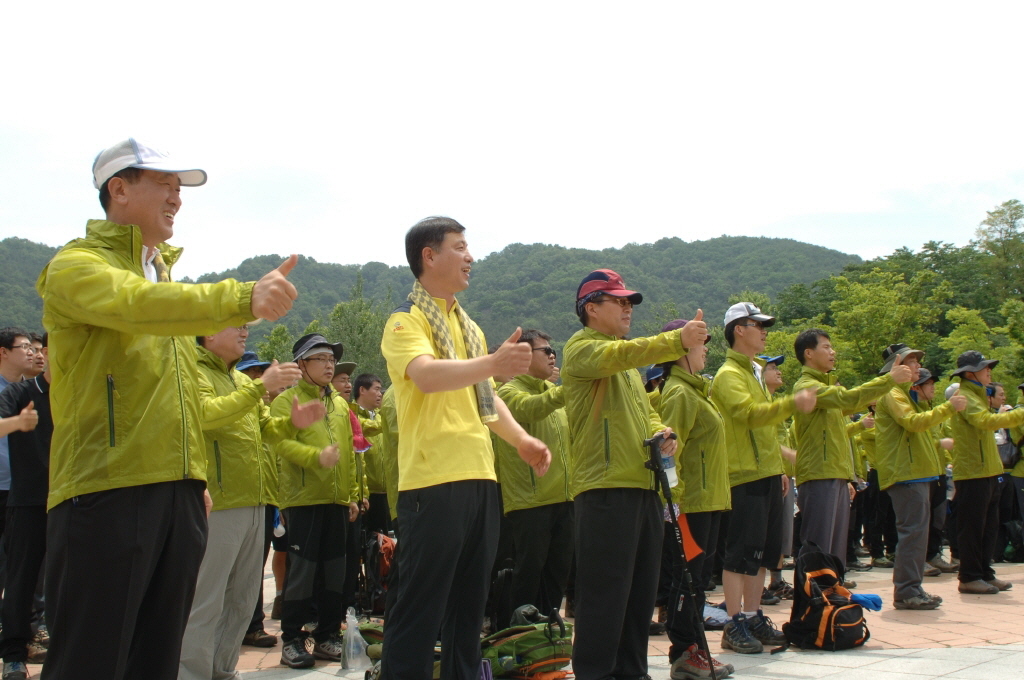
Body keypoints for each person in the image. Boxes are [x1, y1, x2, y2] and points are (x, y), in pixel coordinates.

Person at [35, 138, 299, 680]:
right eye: (164, 184)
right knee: (92, 660)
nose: (176, 197)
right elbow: (135, 306)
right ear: (119, 189)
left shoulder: (164, 277)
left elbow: (175, 395)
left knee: (157, 660)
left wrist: (190, 474)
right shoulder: (77, 266)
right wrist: (240, 297)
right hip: (105, 489)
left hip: (178, 494)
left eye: (181, 189)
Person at [380, 217, 550, 680]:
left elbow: (487, 399)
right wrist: (493, 363)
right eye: (459, 247)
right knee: (419, 609)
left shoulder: (467, 327)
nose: (470, 256)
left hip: (480, 481)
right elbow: (427, 375)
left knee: (468, 612)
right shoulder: (405, 321)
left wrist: (522, 441)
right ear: (429, 256)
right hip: (432, 484)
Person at [562, 269, 707, 680]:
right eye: (619, 301)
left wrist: (663, 432)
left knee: (639, 598)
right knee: (605, 598)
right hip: (605, 489)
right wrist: (677, 340)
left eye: (630, 302)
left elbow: (647, 412)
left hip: (643, 486)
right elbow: (622, 356)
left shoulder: (625, 363)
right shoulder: (583, 348)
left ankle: (633, 673)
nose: (628, 308)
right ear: (591, 307)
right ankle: (595, 673)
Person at [179, 325, 324, 679]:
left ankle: (221, 669)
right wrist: (263, 385)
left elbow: (268, 431)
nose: (245, 330)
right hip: (221, 502)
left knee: (243, 601)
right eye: (237, 324)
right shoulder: (193, 373)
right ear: (209, 333)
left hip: (257, 501)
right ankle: (190, 673)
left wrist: (293, 420)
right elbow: (206, 414)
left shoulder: (242, 384)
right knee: (207, 598)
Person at [711, 302, 816, 655]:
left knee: (760, 553)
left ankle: (753, 616)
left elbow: (770, 430)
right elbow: (749, 415)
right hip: (742, 475)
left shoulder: (755, 372)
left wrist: (781, 469)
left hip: (767, 473)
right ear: (739, 329)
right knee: (740, 554)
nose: (764, 330)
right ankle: (733, 622)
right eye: (759, 324)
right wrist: (790, 403)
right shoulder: (729, 374)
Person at [272, 334, 358, 668]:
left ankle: (326, 637)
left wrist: (350, 494)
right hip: (304, 500)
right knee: (303, 574)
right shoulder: (287, 401)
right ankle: (291, 640)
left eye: (331, 359)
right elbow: (281, 444)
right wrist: (315, 457)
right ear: (301, 365)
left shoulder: (338, 403)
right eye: (320, 358)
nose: (329, 364)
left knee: (335, 573)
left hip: (336, 500)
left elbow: (349, 451)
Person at [791, 329, 910, 568]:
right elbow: (848, 399)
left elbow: (845, 413)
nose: (833, 352)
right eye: (826, 347)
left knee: (835, 549)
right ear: (808, 353)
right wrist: (888, 380)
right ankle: (816, 599)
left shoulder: (827, 388)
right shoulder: (807, 387)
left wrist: (848, 478)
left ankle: (834, 597)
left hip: (835, 473)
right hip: (818, 475)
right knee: (819, 547)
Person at [655, 320, 734, 680]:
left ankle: (697, 651)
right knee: (686, 580)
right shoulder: (679, 394)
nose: (706, 349)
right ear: (682, 351)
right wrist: (674, 501)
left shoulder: (697, 391)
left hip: (710, 499)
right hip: (691, 504)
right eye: (701, 344)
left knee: (699, 581)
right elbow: (670, 450)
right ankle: (684, 653)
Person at [873, 343, 965, 610]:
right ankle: (907, 591)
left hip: (916, 474)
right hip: (907, 475)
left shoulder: (905, 395)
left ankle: (911, 588)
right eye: (912, 362)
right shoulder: (892, 393)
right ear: (897, 366)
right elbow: (913, 424)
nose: (918, 367)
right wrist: (948, 408)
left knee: (916, 534)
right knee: (913, 533)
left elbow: (919, 433)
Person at [495, 329, 573, 616]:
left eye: (554, 350)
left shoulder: (553, 394)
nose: (553, 355)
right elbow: (531, 409)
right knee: (526, 577)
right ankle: (515, 638)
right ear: (524, 356)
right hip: (530, 502)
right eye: (546, 351)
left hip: (564, 498)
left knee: (556, 577)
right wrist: (570, 388)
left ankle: (546, 639)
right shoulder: (507, 392)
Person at [948, 350, 1024, 594]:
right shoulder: (965, 396)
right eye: (984, 367)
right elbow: (985, 422)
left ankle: (984, 572)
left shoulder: (978, 394)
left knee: (989, 526)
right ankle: (969, 576)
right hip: (973, 472)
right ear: (970, 373)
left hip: (988, 471)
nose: (989, 371)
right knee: (972, 527)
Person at [0, 334, 51, 680]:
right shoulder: (20, 393)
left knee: (70, 580)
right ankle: (13, 655)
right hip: (30, 500)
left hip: (78, 501)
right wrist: (18, 423)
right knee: (21, 581)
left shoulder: (82, 393)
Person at [910, 369, 959, 574]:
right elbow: (920, 439)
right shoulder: (916, 411)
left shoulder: (931, 411)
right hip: (920, 472)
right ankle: (918, 560)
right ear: (916, 387)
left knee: (938, 516)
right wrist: (940, 443)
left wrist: (948, 462)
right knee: (920, 520)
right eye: (928, 383)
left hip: (937, 471)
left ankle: (933, 554)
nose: (933, 387)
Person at [354, 373, 389, 535]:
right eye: (376, 389)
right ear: (362, 390)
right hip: (367, 494)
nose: (380, 394)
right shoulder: (353, 417)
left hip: (388, 493)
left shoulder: (381, 416)